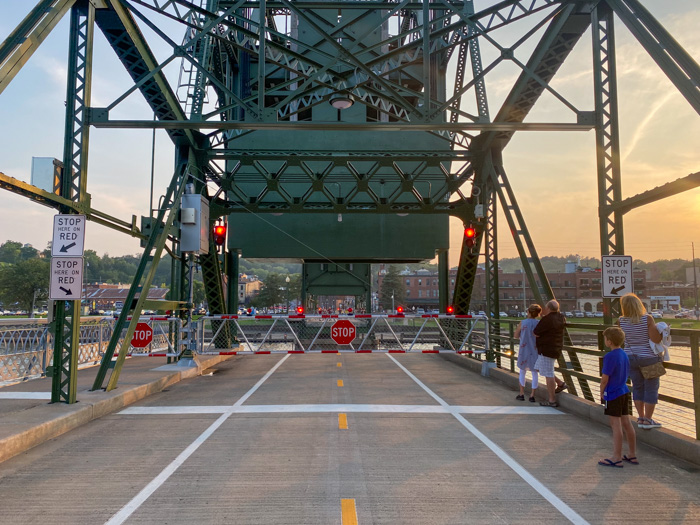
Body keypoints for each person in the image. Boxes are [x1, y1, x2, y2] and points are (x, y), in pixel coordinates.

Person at [619, 293, 663, 430]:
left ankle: (641, 417)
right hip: (649, 358)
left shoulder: (621, 321)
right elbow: (656, 339)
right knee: (651, 388)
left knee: (637, 387)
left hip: (630, 358)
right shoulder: (647, 319)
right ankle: (648, 420)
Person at [598, 326, 637, 468]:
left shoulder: (610, 356)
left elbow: (605, 378)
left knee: (616, 425)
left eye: (605, 339)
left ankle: (616, 457)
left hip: (613, 393)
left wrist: (601, 391)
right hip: (624, 390)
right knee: (626, 422)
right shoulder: (624, 354)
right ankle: (632, 454)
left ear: (609, 341)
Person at [533, 299, 568, 407]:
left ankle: (552, 400)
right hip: (556, 347)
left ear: (548, 308)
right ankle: (560, 383)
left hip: (546, 349)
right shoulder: (561, 317)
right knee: (539, 367)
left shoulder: (547, 319)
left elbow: (536, 332)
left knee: (548, 374)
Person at [514, 304, 541, 402]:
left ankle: (521, 393)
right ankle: (532, 395)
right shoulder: (539, 323)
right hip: (535, 350)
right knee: (534, 373)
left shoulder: (523, 323)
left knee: (522, 371)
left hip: (524, 349)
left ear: (528, 312)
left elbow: (516, 335)